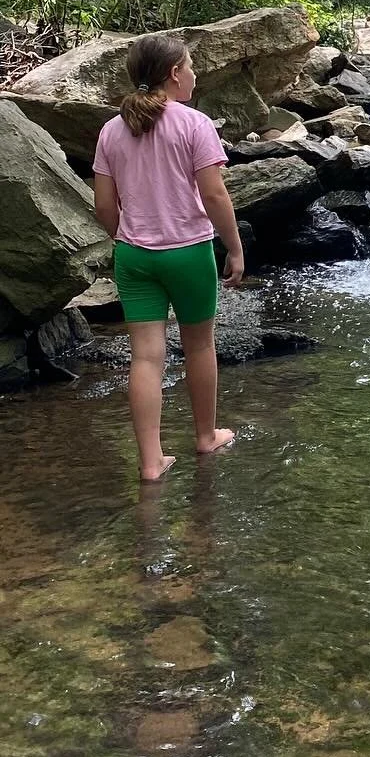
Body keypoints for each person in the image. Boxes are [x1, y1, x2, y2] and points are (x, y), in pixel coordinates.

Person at [91, 34, 246, 482]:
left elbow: (104, 205)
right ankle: (204, 436)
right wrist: (234, 247)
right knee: (199, 345)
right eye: (191, 66)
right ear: (174, 73)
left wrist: (124, 238)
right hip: (188, 251)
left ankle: (151, 463)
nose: (195, 74)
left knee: (145, 358)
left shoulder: (111, 129)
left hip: (134, 255)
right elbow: (214, 195)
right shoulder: (195, 124)